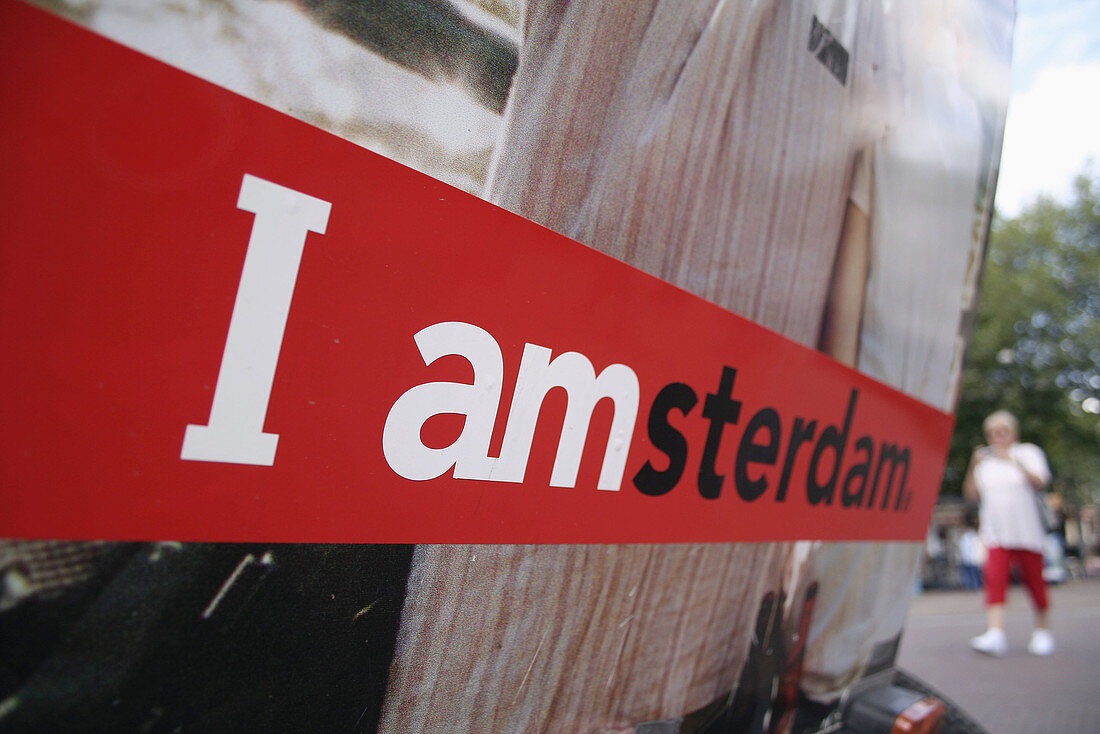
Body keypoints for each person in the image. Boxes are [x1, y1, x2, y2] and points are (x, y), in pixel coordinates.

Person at [963, 410, 1054, 656]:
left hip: (1027, 533)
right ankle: (995, 633)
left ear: (1013, 433)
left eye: (1003, 431)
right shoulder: (985, 464)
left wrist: (1013, 460)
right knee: (995, 581)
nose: (998, 437)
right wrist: (973, 465)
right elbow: (971, 494)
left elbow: (1040, 481)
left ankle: (1042, 631)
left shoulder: (1027, 453)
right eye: (993, 433)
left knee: (1035, 583)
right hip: (996, 534)